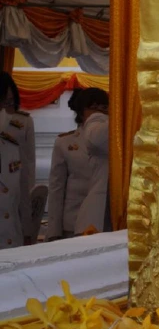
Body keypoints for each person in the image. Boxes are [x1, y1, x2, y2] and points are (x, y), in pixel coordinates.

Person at [47, 89, 109, 240]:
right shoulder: (65, 142)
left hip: (103, 218)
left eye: (105, 108)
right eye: (94, 108)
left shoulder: (111, 138)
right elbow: (57, 189)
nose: (100, 112)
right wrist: (54, 231)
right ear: (82, 112)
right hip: (72, 222)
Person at [0, 73, 35, 248]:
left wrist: (27, 229)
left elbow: (27, 174)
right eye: (3, 103)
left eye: (9, 103)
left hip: (13, 182)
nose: (6, 111)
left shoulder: (22, 123)